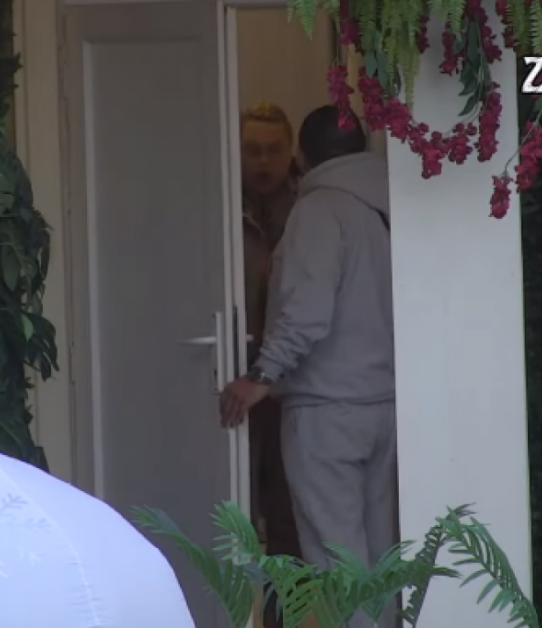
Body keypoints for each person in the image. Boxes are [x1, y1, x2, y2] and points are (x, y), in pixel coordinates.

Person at [220, 105, 396, 628]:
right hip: (384, 404)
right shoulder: (389, 208)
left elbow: (307, 311)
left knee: (337, 560)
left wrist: (261, 377)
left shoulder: (319, 211)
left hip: (326, 410)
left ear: (300, 155)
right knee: (380, 560)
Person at [238, 102, 303, 628]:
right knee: (233, 503)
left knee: (286, 514)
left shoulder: (310, 210)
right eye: (252, 150)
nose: (262, 161)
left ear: (291, 152)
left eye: (273, 150)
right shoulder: (217, 204)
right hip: (229, 375)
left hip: (288, 383)